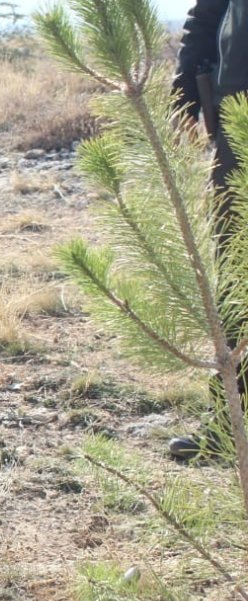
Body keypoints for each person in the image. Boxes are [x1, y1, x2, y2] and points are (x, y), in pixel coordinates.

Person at [169, 0, 246, 461]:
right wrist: (185, 81)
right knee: (238, 272)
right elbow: (211, 6)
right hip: (238, 108)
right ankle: (233, 424)